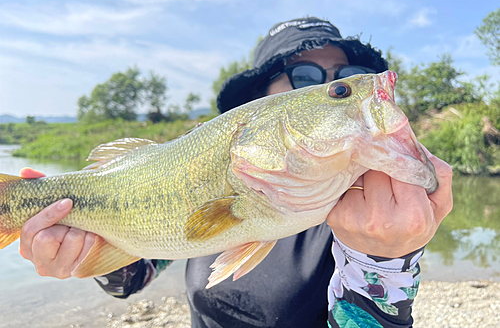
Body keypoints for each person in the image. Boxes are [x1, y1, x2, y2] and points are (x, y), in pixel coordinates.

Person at [19, 17, 453, 327]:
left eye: (351, 77)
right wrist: (80, 252)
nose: (352, 89)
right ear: (257, 104)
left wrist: (383, 262)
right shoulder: (203, 170)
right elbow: (131, 278)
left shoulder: (365, 213)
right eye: (310, 80)